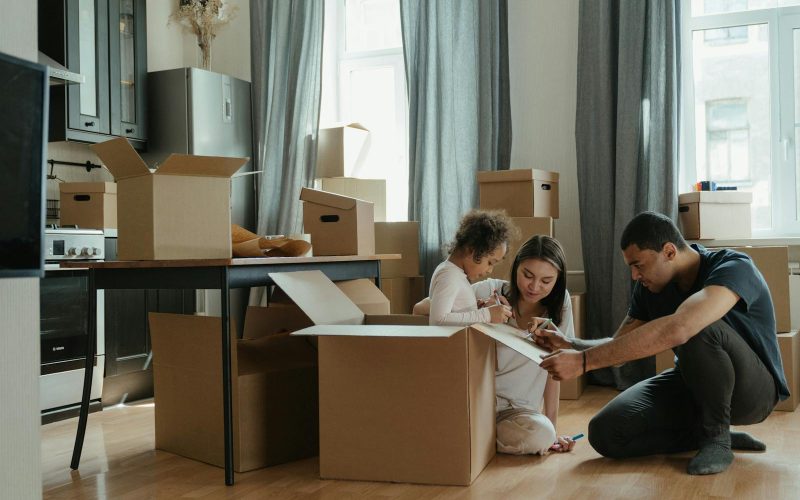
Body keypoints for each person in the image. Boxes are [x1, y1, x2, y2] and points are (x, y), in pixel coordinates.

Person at [534, 211, 788, 475]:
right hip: (694, 384)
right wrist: (571, 345)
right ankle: (703, 434)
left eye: (639, 265)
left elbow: (682, 327)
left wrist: (584, 362)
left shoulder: (734, 266)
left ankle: (717, 438)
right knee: (606, 433)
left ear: (668, 252)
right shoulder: (650, 288)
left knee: (696, 326)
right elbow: (620, 347)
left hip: (754, 393)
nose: (634, 276)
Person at [416, 234, 580, 455]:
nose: (534, 286)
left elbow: (555, 369)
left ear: (558, 281)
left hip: (518, 413)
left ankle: (470, 437)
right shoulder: (490, 290)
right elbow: (420, 309)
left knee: (542, 435)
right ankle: (471, 435)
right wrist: (479, 311)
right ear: (515, 269)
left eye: (546, 281)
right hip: (476, 403)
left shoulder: (561, 306)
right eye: (527, 275)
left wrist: (553, 429)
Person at [428, 209, 515, 326]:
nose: (490, 270)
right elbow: (438, 321)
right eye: (490, 262)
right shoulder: (449, 276)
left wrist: (475, 310)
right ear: (472, 249)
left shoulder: (456, 274)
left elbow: (455, 314)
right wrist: (486, 315)